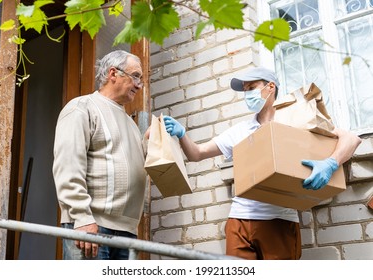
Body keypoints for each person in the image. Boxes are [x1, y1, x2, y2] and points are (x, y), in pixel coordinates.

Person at [163, 67, 361, 260]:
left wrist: (330, 164)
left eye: (251, 88)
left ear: (270, 87)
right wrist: (182, 134)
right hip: (239, 221)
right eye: (245, 91)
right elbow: (197, 154)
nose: (247, 95)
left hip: (279, 221)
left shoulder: (295, 121)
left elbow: (351, 139)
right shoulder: (241, 131)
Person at [52, 50, 147, 260]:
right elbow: (68, 167)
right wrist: (82, 218)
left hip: (128, 233)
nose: (140, 85)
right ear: (113, 73)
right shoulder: (81, 108)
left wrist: (154, 140)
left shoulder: (131, 125)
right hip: (91, 226)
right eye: (136, 76)